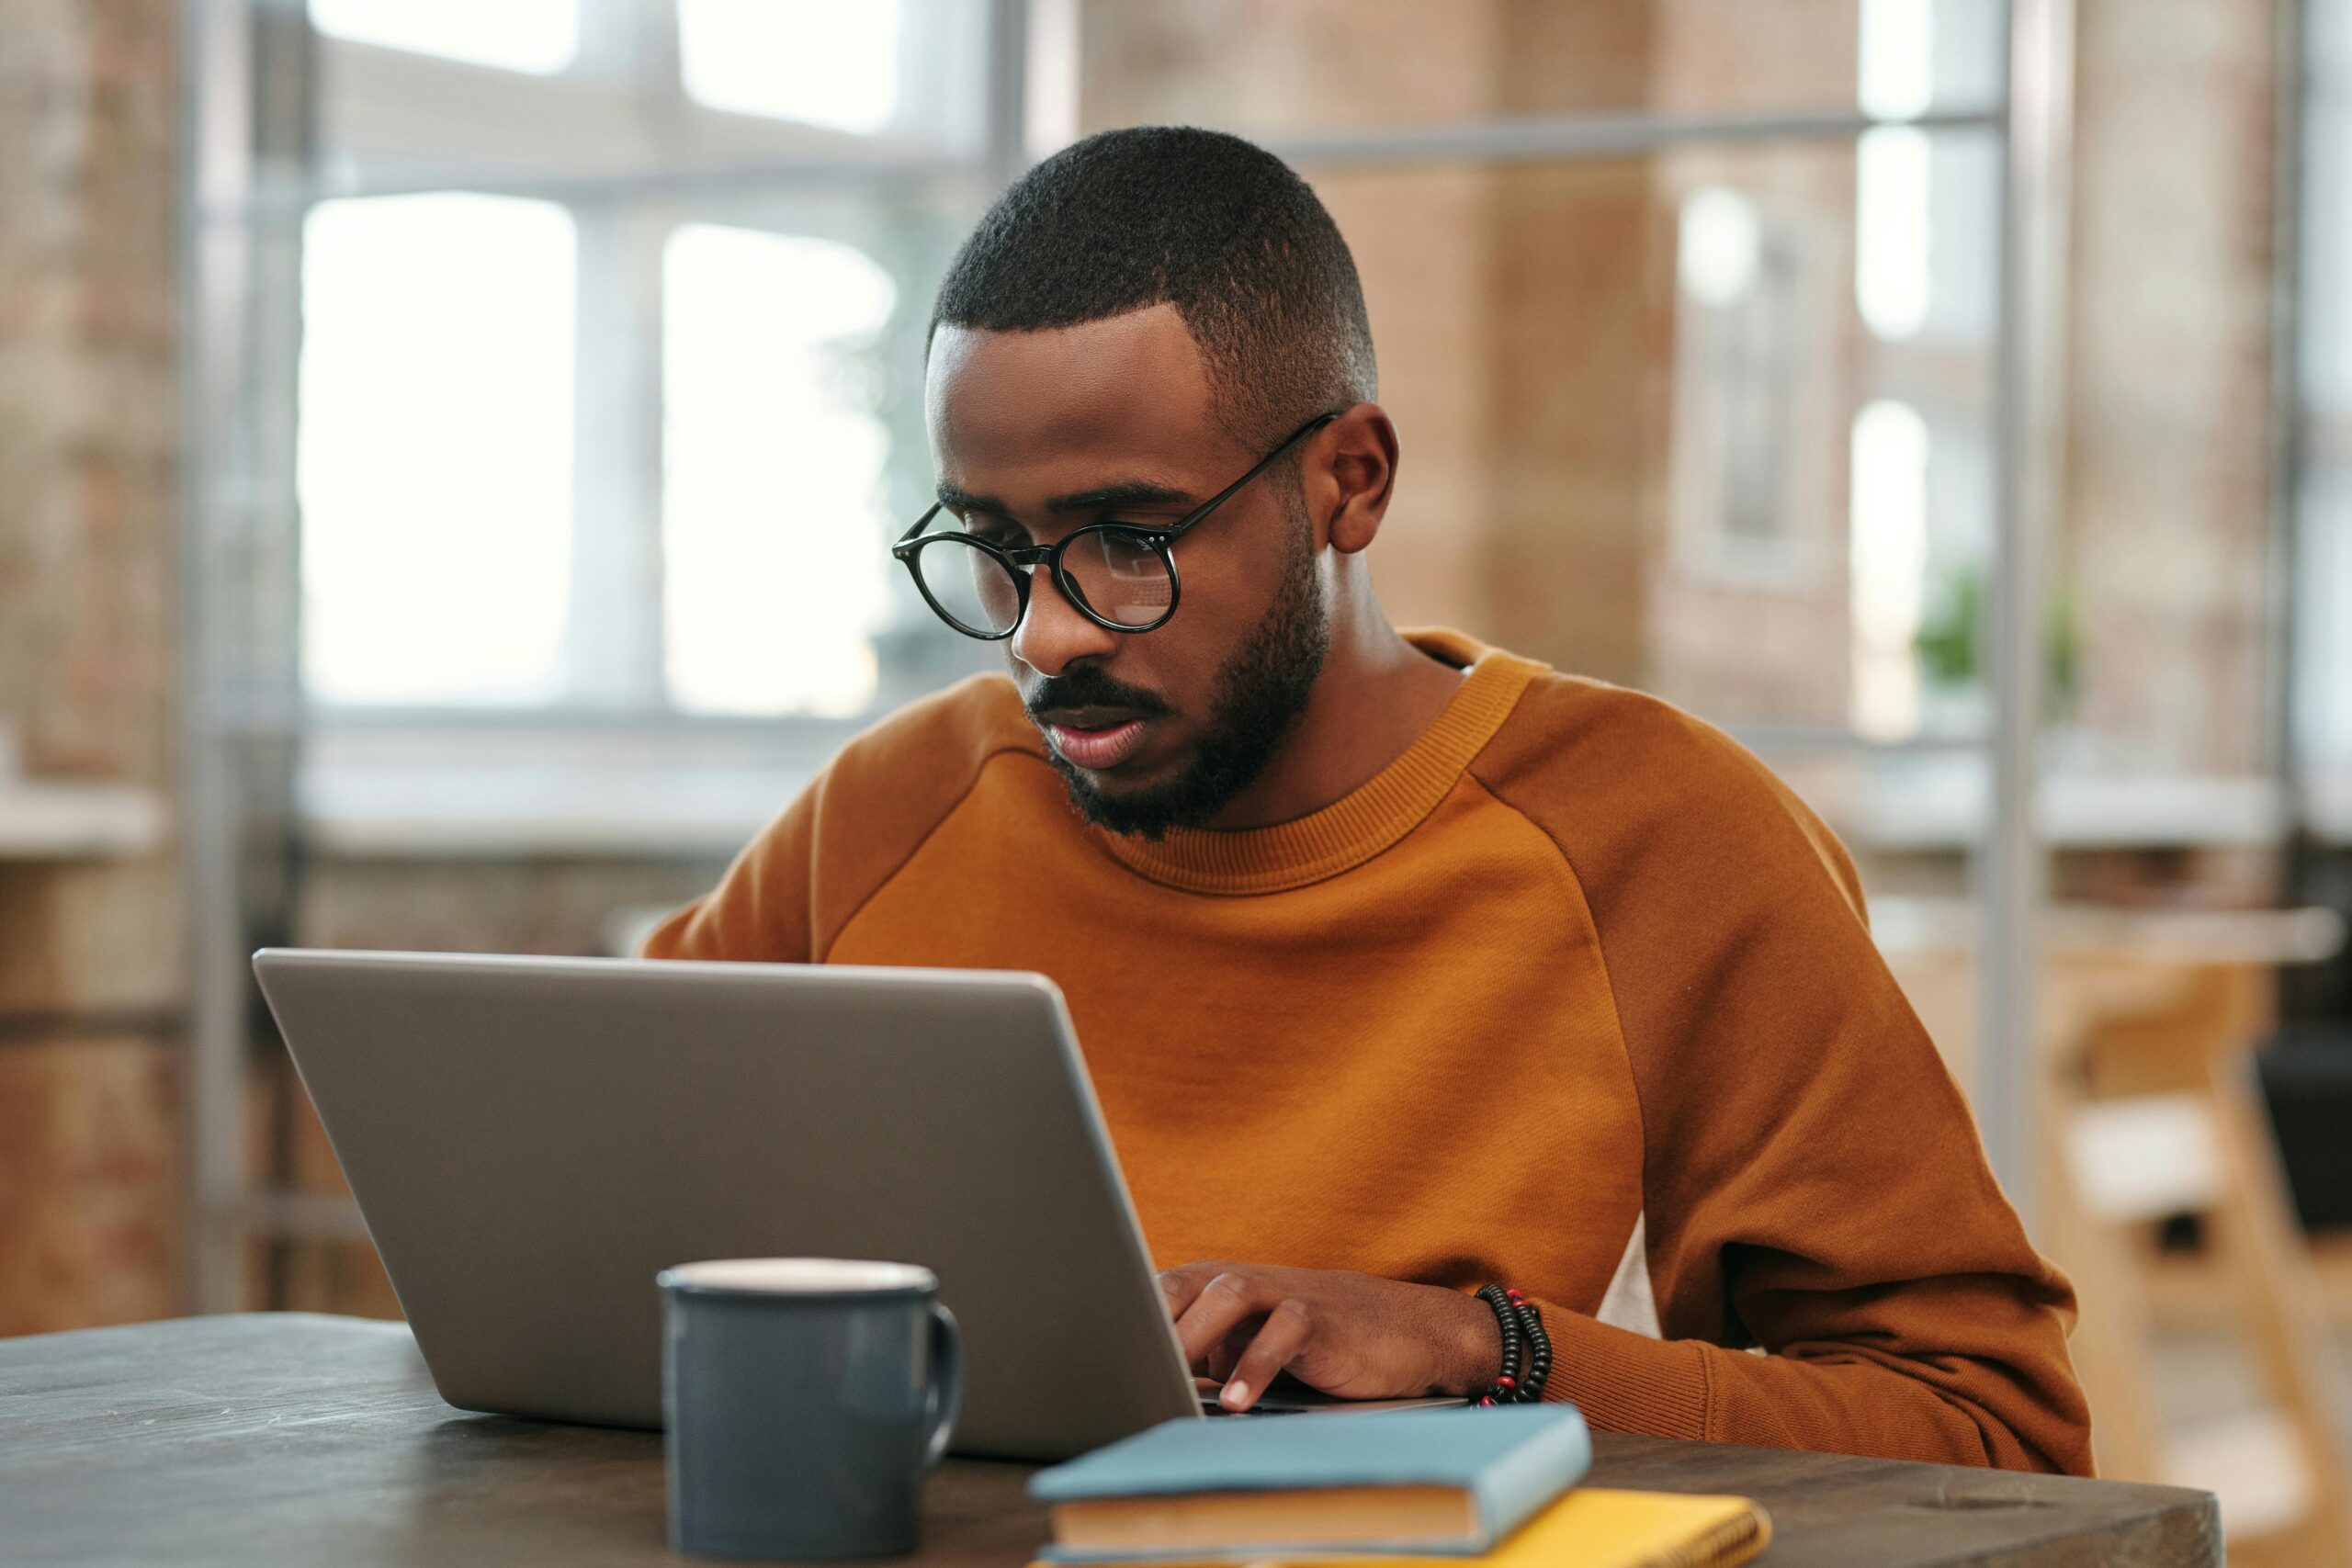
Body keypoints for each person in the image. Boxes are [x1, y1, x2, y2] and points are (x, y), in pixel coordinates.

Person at [644, 125, 2092, 1476]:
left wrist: (1489, 1351)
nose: (1045, 635)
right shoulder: (896, 807)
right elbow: (589, 1206)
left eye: (1130, 538)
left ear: (1352, 480)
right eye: (996, 546)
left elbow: (1996, 1434)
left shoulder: (1660, 838)